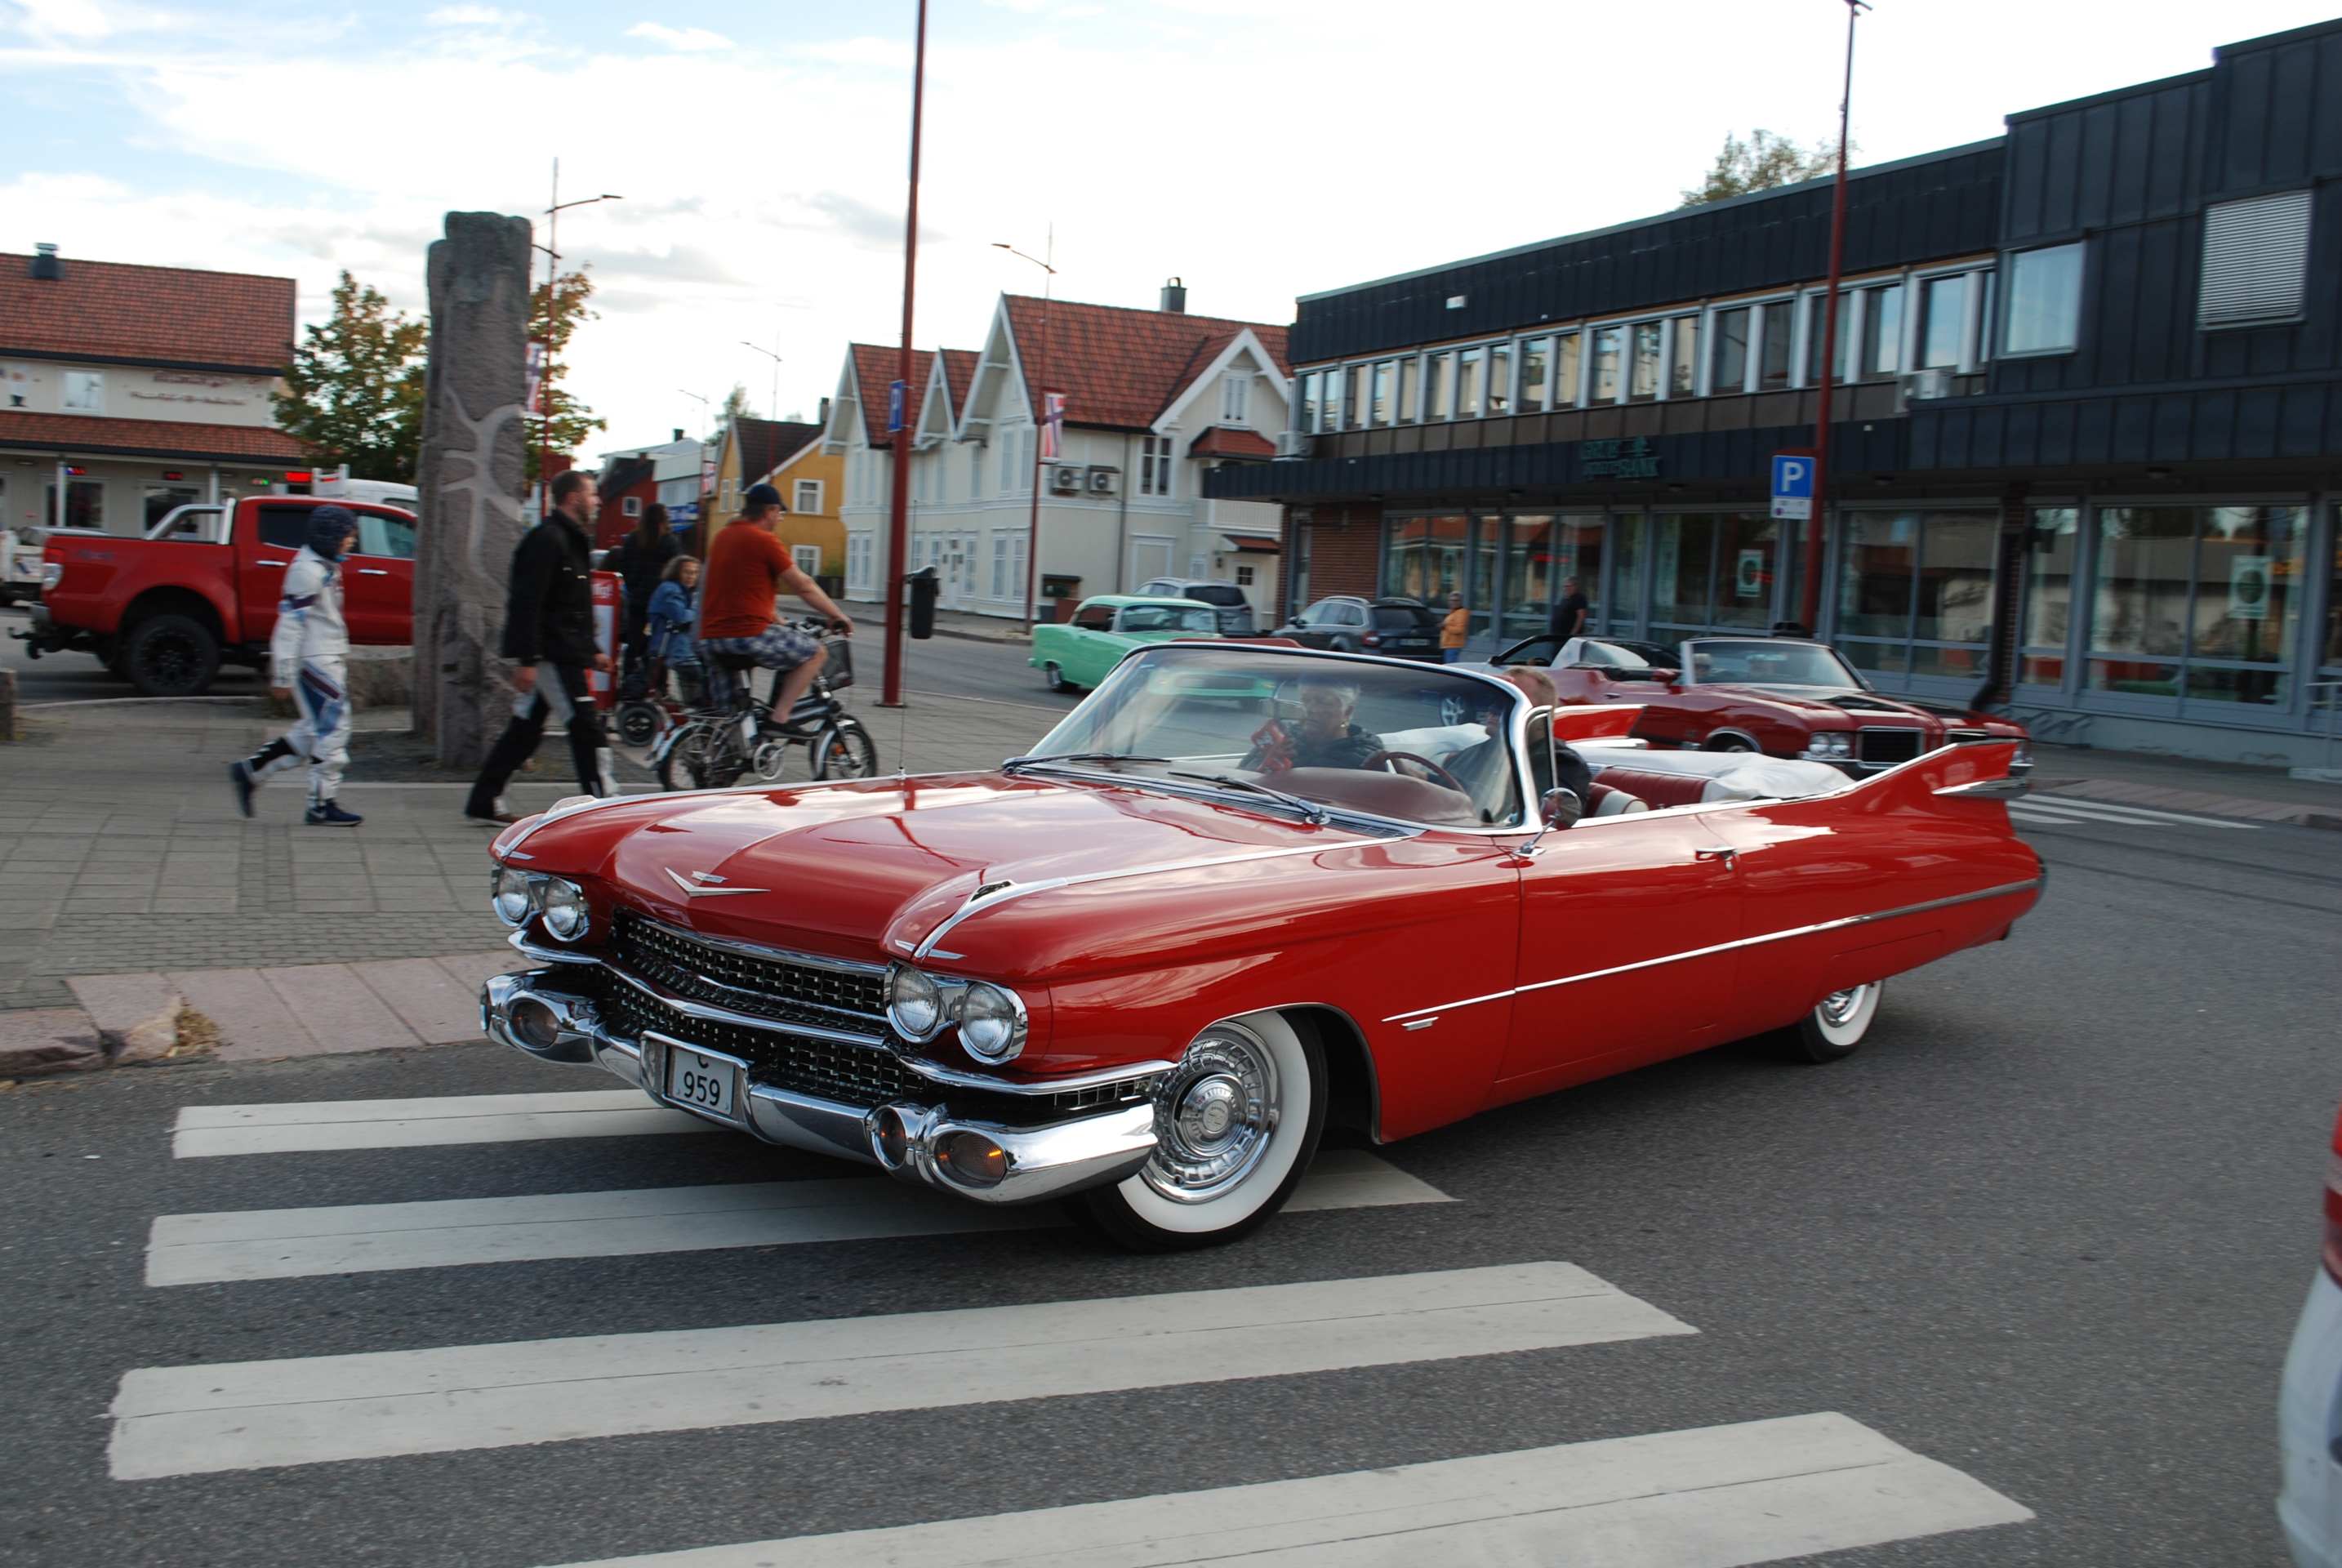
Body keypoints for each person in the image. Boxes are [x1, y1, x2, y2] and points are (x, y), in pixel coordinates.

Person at [465, 470, 618, 825]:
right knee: (586, 727)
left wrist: (592, 650)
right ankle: (605, 803)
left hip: (559, 650)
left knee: (525, 729)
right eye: (592, 494)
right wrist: (529, 659)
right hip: (553, 654)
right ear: (572, 498)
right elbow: (528, 601)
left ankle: (485, 799)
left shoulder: (568, 538)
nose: (597, 501)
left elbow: (571, 605)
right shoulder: (549, 539)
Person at [228, 506, 363, 826]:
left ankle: (252, 771)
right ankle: (321, 804)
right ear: (329, 536)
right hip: (315, 661)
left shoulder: (321, 565)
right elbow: (290, 625)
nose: (351, 540)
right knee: (333, 729)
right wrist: (283, 674)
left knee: (313, 731)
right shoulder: (308, 571)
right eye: (347, 535)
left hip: (322, 657)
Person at [697, 482, 852, 727]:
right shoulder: (764, 539)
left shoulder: (722, 537)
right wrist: (837, 615)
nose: (780, 518)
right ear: (768, 511)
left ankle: (725, 746)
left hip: (712, 639)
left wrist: (776, 618)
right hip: (746, 635)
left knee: (731, 719)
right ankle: (780, 717)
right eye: (780, 512)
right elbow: (803, 585)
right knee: (815, 653)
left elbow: (740, 589)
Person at [612, 501, 679, 695]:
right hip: (660, 601)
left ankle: (629, 682)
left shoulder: (633, 539)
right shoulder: (669, 541)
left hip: (637, 599)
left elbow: (623, 565)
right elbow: (675, 569)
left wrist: (633, 586)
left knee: (632, 644)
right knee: (660, 645)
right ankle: (659, 686)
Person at [1246, 678, 1381, 772]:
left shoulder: (1366, 756)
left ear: (1347, 711)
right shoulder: (1282, 740)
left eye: (1322, 702)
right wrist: (1270, 761)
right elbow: (1242, 782)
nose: (1309, 709)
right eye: (1305, 700)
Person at [644, 555, 701, 700]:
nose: (691, 576)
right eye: (687, 572)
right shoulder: (670, 589)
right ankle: (697, 704)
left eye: (695, 572)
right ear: (676, 572)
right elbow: (680, 616)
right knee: (700, 673)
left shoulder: (686, 591)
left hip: (678, 648)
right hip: (671, 648)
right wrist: (699, 612)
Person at [1547, 576, 1590, 643]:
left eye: (1568, 586)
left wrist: (1573, 635)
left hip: (1567, 637)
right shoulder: (1565, 599)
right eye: (1564, 587)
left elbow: (1581, 617)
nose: (1566, 589)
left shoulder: (1579, 598)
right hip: (1558, 636)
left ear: (1575, 586)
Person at [1439, 592, 1469, 662]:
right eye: (1451, 600)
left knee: (1450, 666)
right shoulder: (1453, 612)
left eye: (1456, 601)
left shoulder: (1462, 612)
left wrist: (1445, 627)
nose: (1453, 602)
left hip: (1453, 645)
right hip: (1447, 644)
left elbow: (1460, 629)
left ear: (1461, 602)